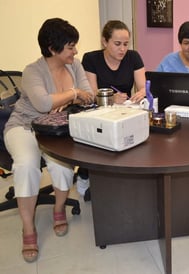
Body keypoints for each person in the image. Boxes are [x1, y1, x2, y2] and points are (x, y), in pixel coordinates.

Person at [3, 18, 94, 262]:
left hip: (57, 128)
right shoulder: (33, 70)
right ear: (53, 48)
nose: (75, 51)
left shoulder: (74, 66)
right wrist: (74, 93)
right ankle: (29, 228)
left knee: (62, 165)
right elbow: (43, 103)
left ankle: (57, 209)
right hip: (23, 126)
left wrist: (67, 100)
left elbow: (90, 95)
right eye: (71, 46)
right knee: (26, 165)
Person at [77, 20, 146, 197]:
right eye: (117, 44)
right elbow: (91, 93)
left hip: (125, 110)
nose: (122, 49)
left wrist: (142, 92)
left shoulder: (133, 57)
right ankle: (84, 174)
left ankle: (123, 177)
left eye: (125, 44)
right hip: (99, 110)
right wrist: (110, 97)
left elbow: (143, 85)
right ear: (104, 41)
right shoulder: (91, 59)